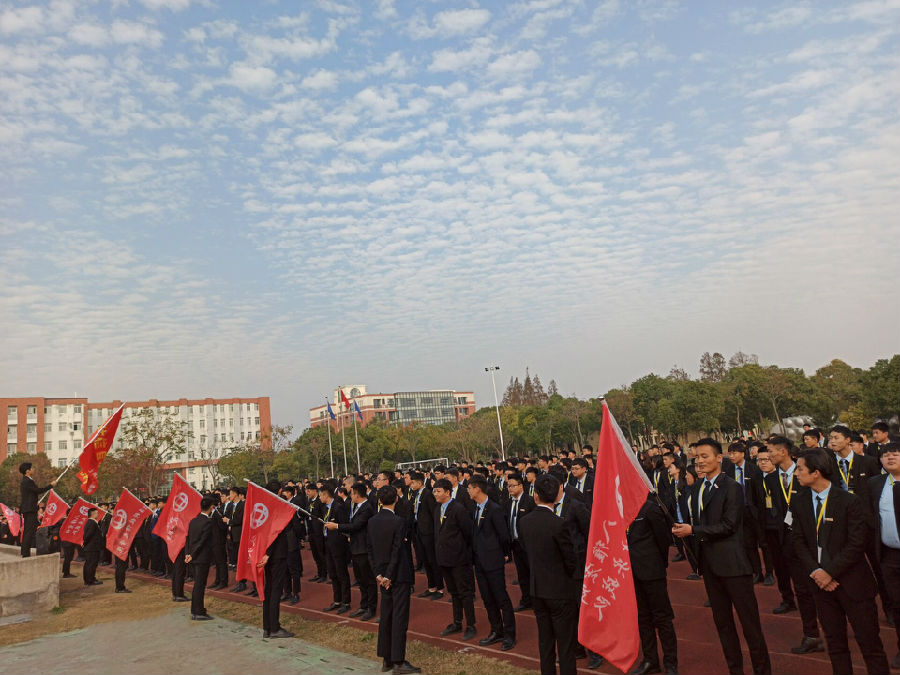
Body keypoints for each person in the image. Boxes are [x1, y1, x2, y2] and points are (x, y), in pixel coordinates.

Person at [673, 438, 771, 675]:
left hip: (734, 566)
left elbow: (728, 525)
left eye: (705, 456)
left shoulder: (732, 487)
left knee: (750, 626)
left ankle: (762, 670)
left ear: (719, 458)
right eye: (697, 457)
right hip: (710, 567)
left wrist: (693, 530)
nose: (700, 461)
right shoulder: (696, 488)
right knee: (723, 625)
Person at [792, 448, 889, 674]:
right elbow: (797, 541)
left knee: (870, 646)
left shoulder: (849, 501)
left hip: (853, 586)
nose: (796, 473)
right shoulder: (799, 501)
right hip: (821, 587)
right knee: (835, 647)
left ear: (816, 472)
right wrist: (817, 572)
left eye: (800, 469)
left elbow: (857, 544)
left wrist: (829, 572)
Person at [762, 435, 823, 654]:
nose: (767, 456)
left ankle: (836, 628)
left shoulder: (805, 475)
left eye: (771, 451)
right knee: (803, 591)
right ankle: (812, 634)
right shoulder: (769, 479)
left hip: (813, 540)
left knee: (824, 586)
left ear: (783, 452)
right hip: (787, 543)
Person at [518, 474, 579, 675]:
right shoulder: (559, 523)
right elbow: (570, 559)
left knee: (545, 644)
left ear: (535, 496)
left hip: (537, 589)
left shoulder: (525, 522)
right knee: (566, 646)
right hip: (560, 592)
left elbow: (526, 552)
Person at [368, 485, 420, 674]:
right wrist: (388, 575)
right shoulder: (399, 522)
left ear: (379, 501)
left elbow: (370, 550)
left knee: (386, 615)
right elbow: (397, 550)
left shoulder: (372, 521)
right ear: (396, 500)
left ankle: (386, 659)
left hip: (382, 576)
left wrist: (379, 574)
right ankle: (398, 660)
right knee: (399, 617)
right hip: (397, 575)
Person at [628, 496, 678, 675]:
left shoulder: (649, 508)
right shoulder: (619, 508)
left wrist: (659, 563)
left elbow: (663, 539)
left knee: (662, 618)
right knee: (642, 618)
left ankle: (671, 662)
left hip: (652, 571)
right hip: (630, 573)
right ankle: (650, 660)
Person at [468, 475, 516, 651]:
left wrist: (504, 554)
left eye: (470, 488)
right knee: (487, 599)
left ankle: (510, 635)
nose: (468, 491)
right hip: (480, 562)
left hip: (493, 561)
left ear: (478, 489)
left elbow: (504, 535)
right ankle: (497, 630)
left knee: (501, 598)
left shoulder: (494, 509)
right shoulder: (475, 508)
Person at [868, 442, 900, 670]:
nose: (889, 458)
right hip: (889, 555)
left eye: (895, 454)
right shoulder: (875, 484)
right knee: (897, 604)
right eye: (885, 455)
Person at [432, 478, 477, 640]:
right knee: (453, 592)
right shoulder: (437, 509)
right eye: (434, 491)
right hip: (444, 558)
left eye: (438, 491)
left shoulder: (458, 508)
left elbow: (467, 532)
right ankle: (457, 622)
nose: (435, 494)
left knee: (464, 592)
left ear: (447, 492)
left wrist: (462, 552)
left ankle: (471, 625)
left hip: (459, 558)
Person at [332, 481, 377, 620]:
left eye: (352, 493)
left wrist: (337, 526)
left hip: (364, 548)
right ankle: (363, 605)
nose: (350, 495)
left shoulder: (367, 507)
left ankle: (371, 607)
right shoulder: (357, 506)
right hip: (356, 547)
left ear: (357, 494)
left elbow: (357, 525)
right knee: (360, 579)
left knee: (369, 580)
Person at [259, 480, 294, 639]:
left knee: (269, 589)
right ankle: (274, 627)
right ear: (279, 491)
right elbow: (277, 532)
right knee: (275, 590)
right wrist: (269, 552)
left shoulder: (264, 506)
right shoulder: (277, 507)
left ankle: (267, 627)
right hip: (276, 554)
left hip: (266, 553)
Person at [409, 472, 443, 600]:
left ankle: (439, 588)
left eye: (413, 483)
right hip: (419, 530)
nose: (411, 485)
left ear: (419, 483)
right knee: (426, 560)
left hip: (428, 532)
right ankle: (431, 586)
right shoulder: (416, 494)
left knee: (432, 560)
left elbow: (434, 512)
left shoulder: (428, 494)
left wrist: (435, 531)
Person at [320, 482, 351, 614]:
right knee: (332, 573)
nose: (319, 498)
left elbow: (343, 526)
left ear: (325, 495)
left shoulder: (339, 507)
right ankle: (337, 600)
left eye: (321, 495)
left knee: (341, 574)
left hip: (338, 545)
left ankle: (346, 601)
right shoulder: (325, 508)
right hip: (328, 544)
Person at [505, 472, 535, 611]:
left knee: (532, 573)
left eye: (512, 486)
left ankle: (537, 600)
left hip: (528, 544)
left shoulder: (529, 501)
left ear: (521, 486)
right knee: (522, 574)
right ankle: (526, 599)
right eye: (508, 486)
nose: (510, 488)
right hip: (515, 544)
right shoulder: (508, 502)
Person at [185, 497, 215, 621]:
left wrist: (188, 553)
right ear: (211, 507)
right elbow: (202, 541)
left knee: (197, 584)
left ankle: (196, 610)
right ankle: (198, 612)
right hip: (201, 557)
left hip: (193, 557)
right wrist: (192, 554)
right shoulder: (208, 522)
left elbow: (188, 539)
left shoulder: (193, 521)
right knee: (199, 585)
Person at [19, 462, 57, 557]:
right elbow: (38, 490)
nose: (33, 469)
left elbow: (31, 494)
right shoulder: (28, 481)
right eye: (32, 468)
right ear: (27, 471)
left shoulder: (26, 481)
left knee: (30, 530)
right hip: (29, 510)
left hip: (29, 508)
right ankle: (25, 553)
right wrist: (51, 485)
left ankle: (25, 552)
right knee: (28, 531)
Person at [82, 507, 103, 586]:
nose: (98, 514)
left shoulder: (90, 522)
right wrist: (85, 542)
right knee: (91, 564)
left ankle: (89, 579)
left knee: (89, 564)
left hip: (90, 547)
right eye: (96, 513)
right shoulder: (92, 523)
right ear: (93, 514)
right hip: (92, 547)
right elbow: (88, 535)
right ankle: (90, 580)